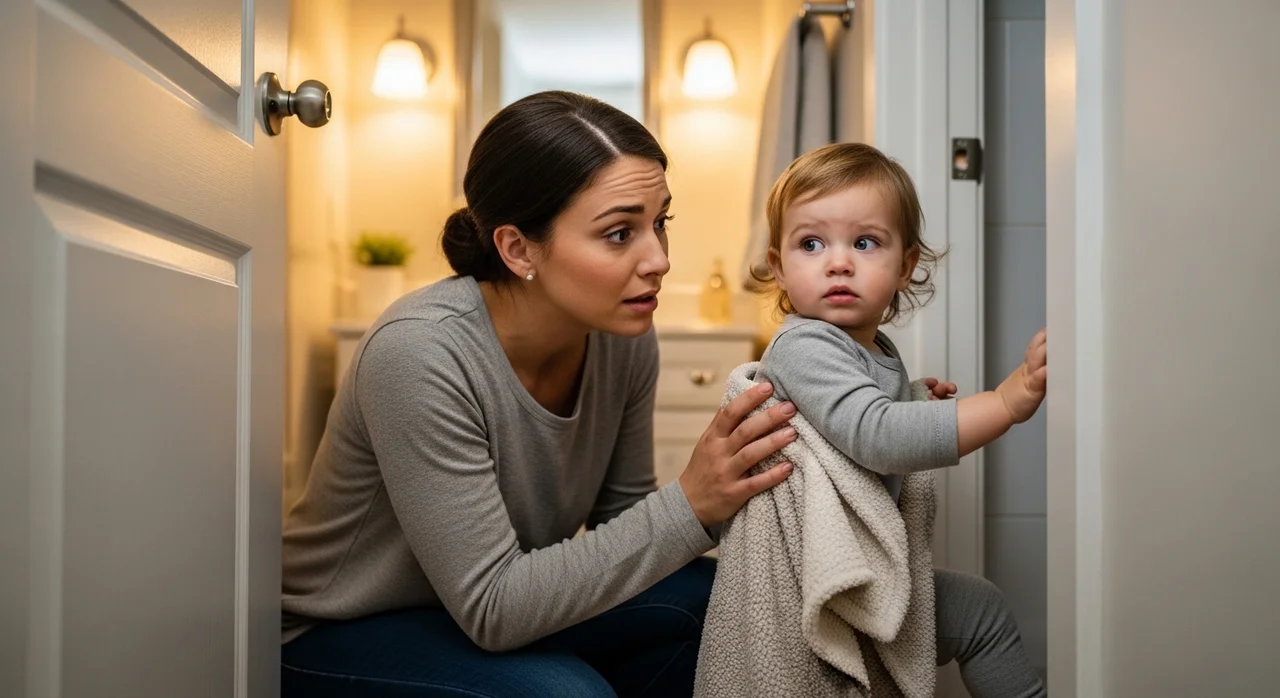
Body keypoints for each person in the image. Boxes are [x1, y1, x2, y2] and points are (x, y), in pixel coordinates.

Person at [278, 90, 798, 698]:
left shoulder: (623, 336)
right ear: (518, 248)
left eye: (660, 223)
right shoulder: (418, 352)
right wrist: (691, 503)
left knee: (734, 603)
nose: (658, 259)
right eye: (618, 233)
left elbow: (624, 522)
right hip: (343, 627)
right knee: (568, 693)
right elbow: (494, 606)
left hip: (487, 610)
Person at [748, 141, 1048, 698]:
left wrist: (907, 397)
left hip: (849, 575)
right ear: (780, 268)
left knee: (978, 609)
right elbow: (874, 437)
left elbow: (843, 422)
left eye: (865, 242)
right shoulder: (802, 344)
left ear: (905, 266)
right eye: (811, 243)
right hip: (809, 588)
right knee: (978, 611)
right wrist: (1004, 403)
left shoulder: (870, 346)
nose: (838, 262)